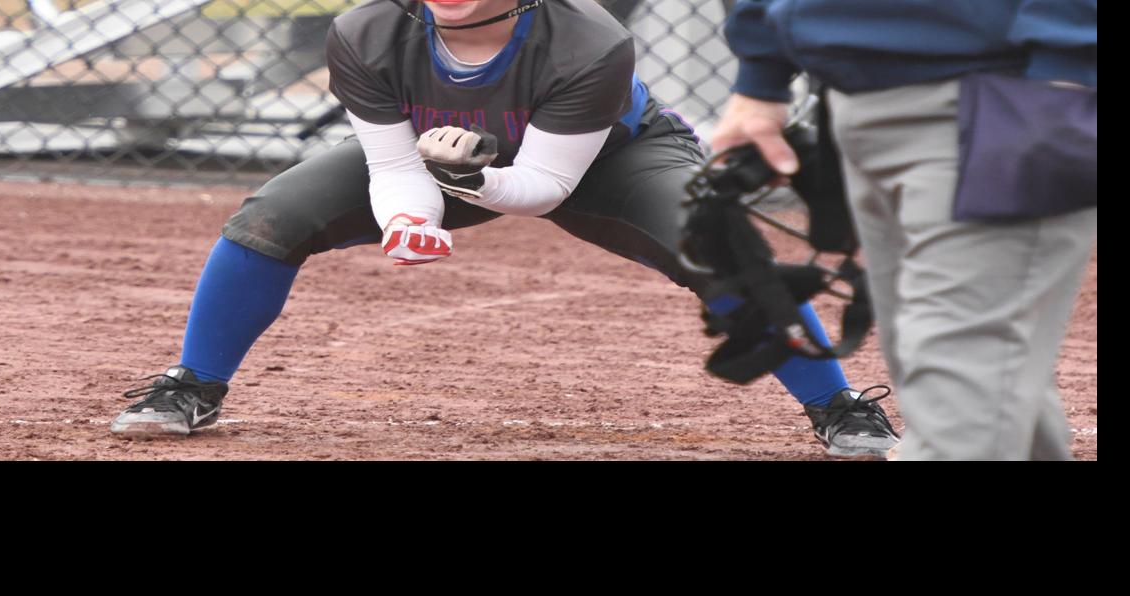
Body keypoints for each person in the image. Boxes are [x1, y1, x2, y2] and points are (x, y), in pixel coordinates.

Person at [110, 0, 899, 458]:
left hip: (607, 161)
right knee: (271, 217)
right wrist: (414, 219)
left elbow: (547, 188)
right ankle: (194, 384)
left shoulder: (590, 41)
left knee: (720, 244)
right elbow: (390, 166)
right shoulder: (366, 30)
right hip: (429, 158)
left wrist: (469, 180)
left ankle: (839, 407)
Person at [711, 0, 1098, 460]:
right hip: (858, 100)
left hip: (999, 96)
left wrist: (1069, 68)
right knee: (970, 377)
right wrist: (762, 75)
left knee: (959, 379)